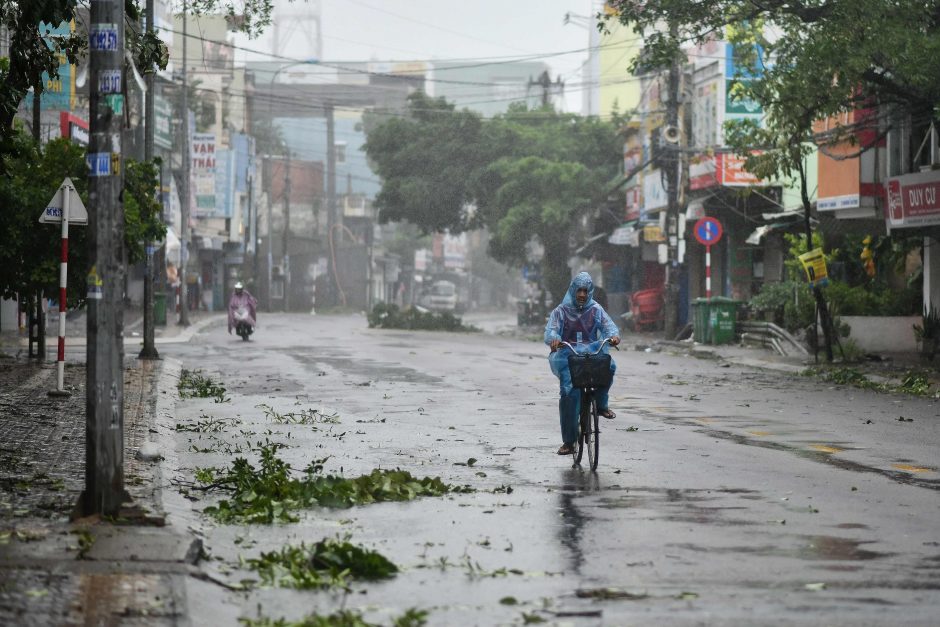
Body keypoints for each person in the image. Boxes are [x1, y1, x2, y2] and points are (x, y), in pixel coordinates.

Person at [544, 272, 620, 456]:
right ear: (573, 290)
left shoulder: (596, 309)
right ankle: (569, 442)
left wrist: (614, 336)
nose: (582, 295)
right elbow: (552, 330)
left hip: (592, 353)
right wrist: (554, 339)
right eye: (579, 290)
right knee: (570, 392)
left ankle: (601, 405)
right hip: (568, 356)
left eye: (586, 291)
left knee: (609, 367)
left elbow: (609, 326)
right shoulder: (560, 311)